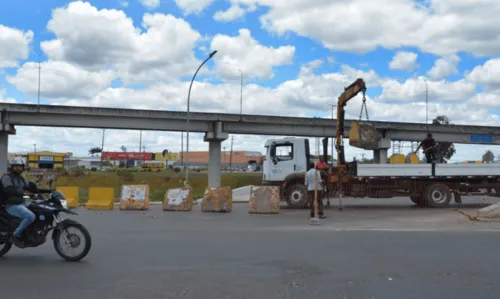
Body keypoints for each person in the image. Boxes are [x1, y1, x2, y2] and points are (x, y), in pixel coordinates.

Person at [1, 157, 49, 248]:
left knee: (38, 208)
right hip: (11, 205)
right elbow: (9, 190)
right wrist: (22, 194)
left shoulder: (20, 178)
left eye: (20, 166)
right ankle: (15, 236)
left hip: (21, 203)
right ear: (11, 167)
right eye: (15, 166)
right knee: (30, 216)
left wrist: (48, 191)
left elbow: (30, 188)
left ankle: (32, 233)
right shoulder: (6, 177)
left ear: (22, 167)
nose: (18, 168)